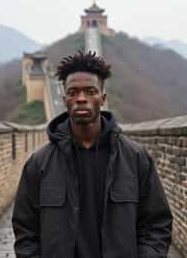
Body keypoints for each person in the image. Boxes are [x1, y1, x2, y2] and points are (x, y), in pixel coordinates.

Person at [12, 51, 172, 258]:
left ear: (102, 98)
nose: (81, 99)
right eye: (73, 92)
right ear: (65, 99)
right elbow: (25, 231)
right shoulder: (39, 163)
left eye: (90, 91)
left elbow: (157, 224)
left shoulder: (135, 158)